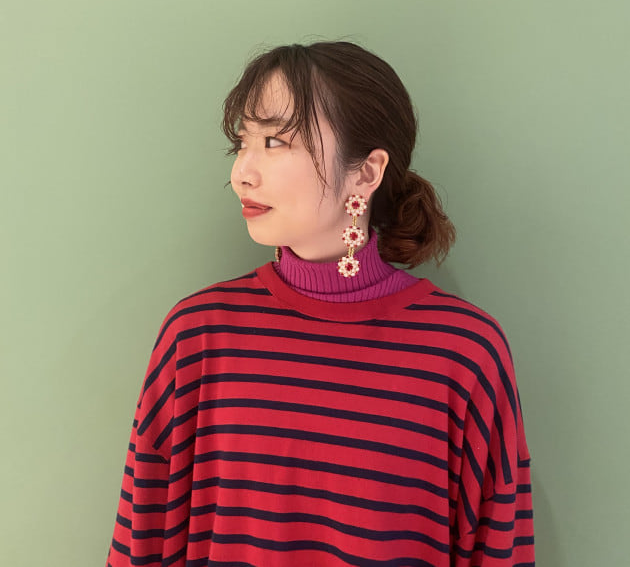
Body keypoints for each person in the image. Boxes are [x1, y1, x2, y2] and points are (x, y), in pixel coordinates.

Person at [106, 41, 535, 566]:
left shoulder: (463, 352)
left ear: (367, 172)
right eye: (241, 142)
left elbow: (499, 548)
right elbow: (142, 541)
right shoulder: (199, 335)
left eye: (275, 141)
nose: (242, 172)